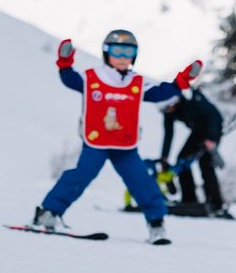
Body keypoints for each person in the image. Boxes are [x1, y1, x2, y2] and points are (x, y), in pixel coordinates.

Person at [33, 29, 202, 245]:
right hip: (97, 142)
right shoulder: (92, 78)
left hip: (125, 146)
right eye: (117, 51)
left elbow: (161, 92)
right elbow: (70, 80)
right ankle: (48, 213)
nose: (123, 57)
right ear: (106, 53)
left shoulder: (137, 83)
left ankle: (156, 224)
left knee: (142, 182)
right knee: (80, 176)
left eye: (128, 52)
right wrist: (65, 62)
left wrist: (183, 80)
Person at [160, 88, 228, 217]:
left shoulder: (193, 98)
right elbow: (168, 134)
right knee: (182, 161)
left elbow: (213, 115)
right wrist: (164, 157)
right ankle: (189, 200)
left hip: (212, 129)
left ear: (175, 101)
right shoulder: (168, 110)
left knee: (206, 163)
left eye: (169, 108)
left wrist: (212, 138)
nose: (168, 111)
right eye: (165, 110)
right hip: (197, 132)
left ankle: (216, 205)